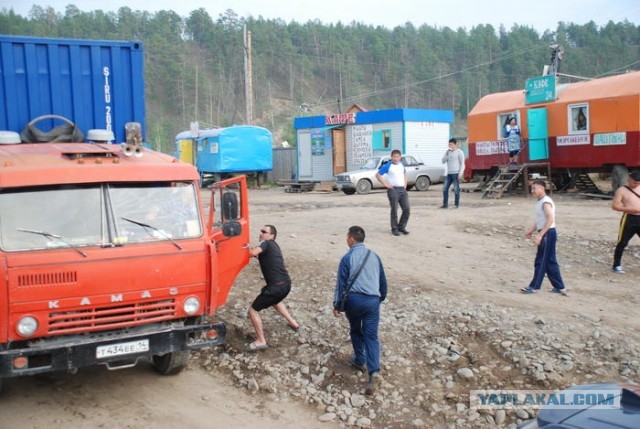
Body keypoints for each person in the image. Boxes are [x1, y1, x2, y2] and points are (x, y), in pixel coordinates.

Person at [333, 226, 387, 396]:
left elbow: (341, 284)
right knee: (371, 336)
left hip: (354, 301)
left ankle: (359, 360)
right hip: (372, 301)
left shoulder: (347, 257)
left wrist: (337, 305)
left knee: (356, 330)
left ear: (351, 239)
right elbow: (382, 281)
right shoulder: (375, 256)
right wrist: (380, 298)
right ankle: (374, 372)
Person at [247, 225, 300, 351]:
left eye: (264, 232)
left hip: (275, 288)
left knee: (252, 311)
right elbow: (260, 256)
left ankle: (261, 341)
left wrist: (245, 249)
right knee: (275, 302)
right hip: (286, 285)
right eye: (261, 231)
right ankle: (294, 324)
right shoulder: (274, 246)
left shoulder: (266, 243)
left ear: (272, 236)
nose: (261, 234)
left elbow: (253, 253)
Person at [521, 180, 567, 294]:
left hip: (548, 233)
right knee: (550, 260)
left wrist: (540, 235)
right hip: (548, 232)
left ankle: (534, 287)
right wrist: (531, 231)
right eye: (532, 189)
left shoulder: (546, 202)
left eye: (534, 188)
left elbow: (550, 219)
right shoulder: (541, 202)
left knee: (541, 260)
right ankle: (559, 286)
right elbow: (541, 220)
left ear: (542, 188)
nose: (533, 191)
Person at [611, 170, 640, 274]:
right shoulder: (622, 190)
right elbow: (615, 206)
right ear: (629, 179)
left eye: (638, 183)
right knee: (622, 242)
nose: (636, 185)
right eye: (634, 183)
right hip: (629, 218)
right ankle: (616, 265)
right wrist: (630, 209)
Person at [375, 149, 409, 236]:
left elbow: (405, 174)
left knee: (406, 209)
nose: (396, 158)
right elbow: (378, 175)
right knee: (394, 209)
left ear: (400, 157)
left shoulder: (401, 165)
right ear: (391, 157)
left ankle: (401, 226)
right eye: (394, 157)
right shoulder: (388, 165)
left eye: (397, 157)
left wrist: (405, 184)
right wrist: (386, 184)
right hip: (393, 190)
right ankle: (394, 228)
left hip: (402, 190)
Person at [440, 138, 465, 209]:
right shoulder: (448, 152)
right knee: (445, 188)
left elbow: (462, 164)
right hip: (449, 174)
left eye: (451, 144)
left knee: (456, 189)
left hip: (456, 173)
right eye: (449, 145)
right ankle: (445, 205)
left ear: (455, 144)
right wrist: (447, 154)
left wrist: (460, 173)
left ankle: (456, 205)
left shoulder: (459, 152)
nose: (450, 146)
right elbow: (443, 161)